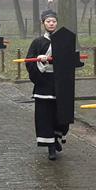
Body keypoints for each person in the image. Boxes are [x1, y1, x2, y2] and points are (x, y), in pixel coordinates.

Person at [25, 9, 67, 160]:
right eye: (48, 21)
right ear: (43, 23)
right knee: (45, 116)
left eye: (54, 21)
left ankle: (57, 137)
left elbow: (71, 59)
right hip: (44, 83)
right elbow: (28, 61)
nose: (51, 23)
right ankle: (50, 147)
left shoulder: (63, 39)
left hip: (60, 82)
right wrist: (38, 61)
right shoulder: (37, 42)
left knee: (60, 115)